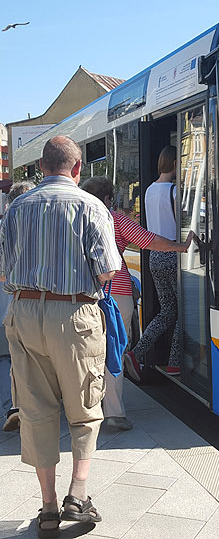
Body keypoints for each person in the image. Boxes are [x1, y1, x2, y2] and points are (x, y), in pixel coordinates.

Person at [0, 136, 121, 537]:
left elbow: (3, 272)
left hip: (23, 311)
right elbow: (107, 272)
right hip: (73, 313)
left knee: (35, 411)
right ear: (78, 168)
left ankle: (48, 507)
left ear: (41, 167)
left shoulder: (16, 207)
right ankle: (78, 496)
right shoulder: (90, 206)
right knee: (85, 409)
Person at [81, 176, 196, 427]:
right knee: (113, 351)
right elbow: (149, 241)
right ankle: (113, 413)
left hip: (81, 294)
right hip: (115, 292)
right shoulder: (115, 219)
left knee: (85, 352)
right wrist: (181, 246)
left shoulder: (76, 219)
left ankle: (83, 409)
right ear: (109, 198)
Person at [126, 146, 186, 378]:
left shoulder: (149, 190)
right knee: (183, 311)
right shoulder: (173, 190)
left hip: (154, 256)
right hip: (172, 252)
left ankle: (136, 352)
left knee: (167, 311)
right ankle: (174, 362)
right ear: (174, 164)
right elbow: (181, 224)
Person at [1, 181, 36, 432]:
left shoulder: (7, 226)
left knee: (15, 360)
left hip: (14, 305)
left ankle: (17, 406)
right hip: (40, 306)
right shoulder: (42, 227)